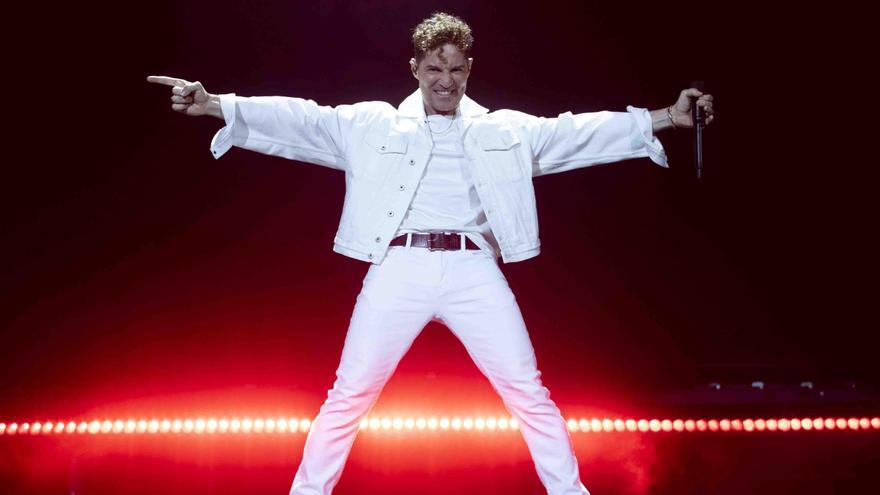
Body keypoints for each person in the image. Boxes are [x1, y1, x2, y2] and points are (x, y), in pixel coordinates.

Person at [148, 12, 713, 495]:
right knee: (350, 393)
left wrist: (665, 116)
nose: (447, 80)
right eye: (436, 69)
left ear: (470, 70)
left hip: (473, 270)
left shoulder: (506, 130)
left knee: (527, 390)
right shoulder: (371, 124)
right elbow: (301, 118)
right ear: (415, 68)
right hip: (399, 266)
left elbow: (580, 134)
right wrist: (216, 104)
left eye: (458, 69)